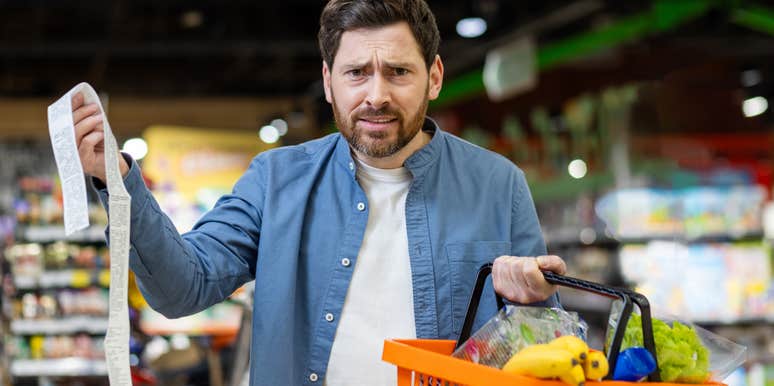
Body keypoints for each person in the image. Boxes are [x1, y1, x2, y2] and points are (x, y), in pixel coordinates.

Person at [71, 0, 567, 385]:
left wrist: (534, 306)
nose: (376, 94)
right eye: (356, 73)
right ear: (329, 82)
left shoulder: (499, 185)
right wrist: (115, 179)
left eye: (398, 71)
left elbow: (551, 346)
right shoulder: (276, 180)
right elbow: (182, 288)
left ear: (433, 76)